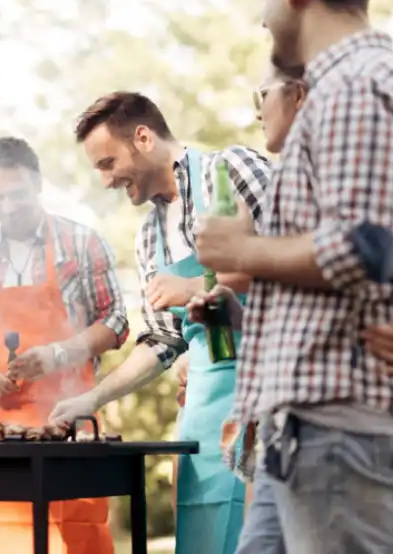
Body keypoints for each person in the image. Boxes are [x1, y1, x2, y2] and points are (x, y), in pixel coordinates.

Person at [195, 0, 393, 552]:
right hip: (301, 432)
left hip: (337, 429)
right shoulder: (344, 89)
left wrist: (244, 252)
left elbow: (362, 248)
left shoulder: (354, 86)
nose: (260, 16)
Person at [49, 91, 272, 554]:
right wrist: (92, 397)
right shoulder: (149, 236)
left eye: (109, 162)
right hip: (203, 419)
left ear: (144, 138)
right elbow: (162, 340)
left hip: (268, 394)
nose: (107, 180)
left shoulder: (230, 171)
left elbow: (298, 256)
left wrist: (197, 286)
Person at [0, 136, 128, 554]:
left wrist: (61, 352)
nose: (7, 208)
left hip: (68, 428)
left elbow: (115, 323)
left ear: (38, 183)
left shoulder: (81, 244)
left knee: (76, 539)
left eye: (18, 195)